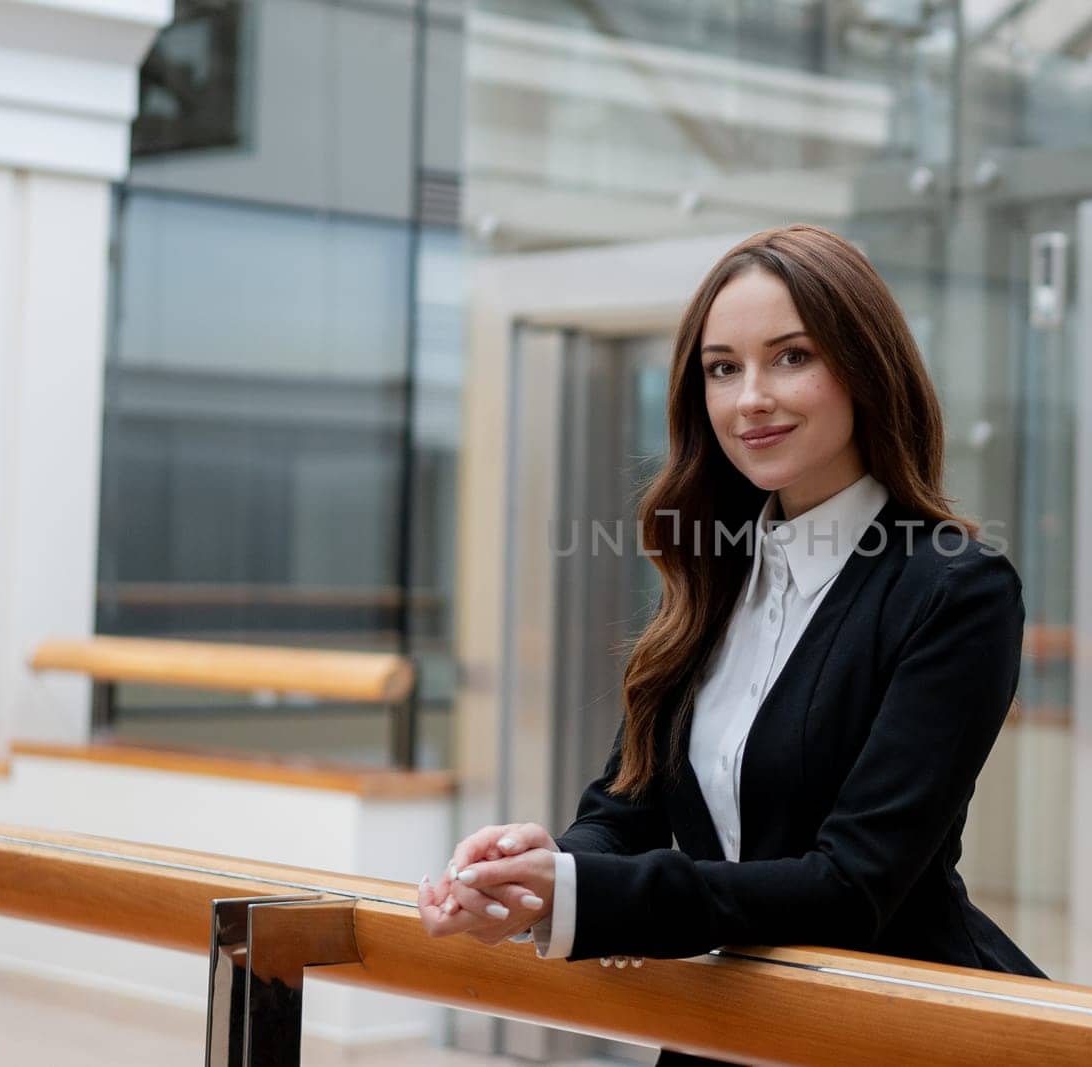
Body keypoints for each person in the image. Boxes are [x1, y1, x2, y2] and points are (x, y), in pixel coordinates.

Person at [417, 223, 1046, 1063]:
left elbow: (852, 884)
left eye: (791, 356)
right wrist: (534, 868)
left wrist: (578, 891)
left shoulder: (954, 587)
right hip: (718, 1031)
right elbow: (625, 813)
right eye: (723, 367)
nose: (750, 397)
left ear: (864, 366)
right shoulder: (713, 575)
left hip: (884, 1030)